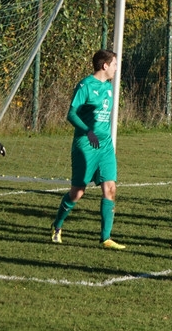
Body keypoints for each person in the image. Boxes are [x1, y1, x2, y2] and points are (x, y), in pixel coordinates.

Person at [51, 50, 125, 249]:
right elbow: (71, 114)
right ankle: (57, 226)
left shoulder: (108, 87)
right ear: (105, 66)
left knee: (110, 188)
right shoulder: (85, 86)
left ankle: (106, 238)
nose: (116, 68)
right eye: (114, 64)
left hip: (105, 145)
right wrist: (87, 131)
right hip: (85, 144)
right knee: (77, 192)